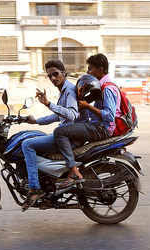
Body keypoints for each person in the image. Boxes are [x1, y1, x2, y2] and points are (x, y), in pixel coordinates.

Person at [53, 53, 120, 188]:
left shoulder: (107, 88)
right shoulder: (99, 86)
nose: (88, 72)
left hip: (102, 129)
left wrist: (87, 106)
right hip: (97, 126)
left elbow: (109, 116)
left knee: (60, 132)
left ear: (100, 69)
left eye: (90, 69)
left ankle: (73, 172)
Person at [21, 60, 78, 208]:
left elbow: (71, 115)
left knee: (27, 144)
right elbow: (59, 116)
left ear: (64, 73)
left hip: (68, 138)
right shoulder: (64, 90)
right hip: (66, 135)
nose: (53, 78)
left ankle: (35, 188)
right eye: (50, 76)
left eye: (56, 74)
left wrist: (48, 104)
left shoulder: (69, 90)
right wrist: (36, 121)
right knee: (34, 137)